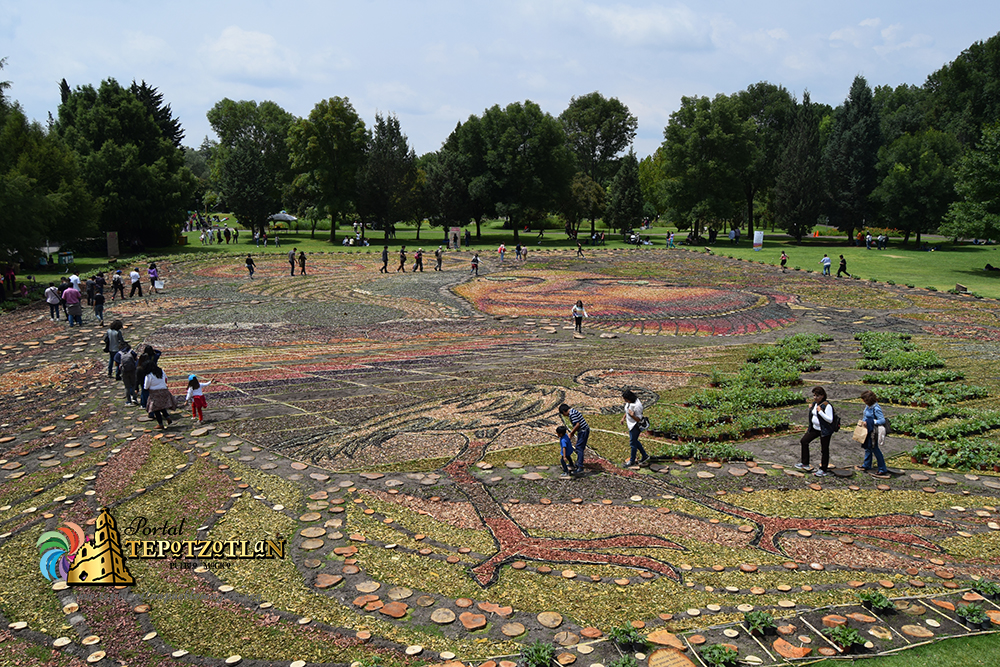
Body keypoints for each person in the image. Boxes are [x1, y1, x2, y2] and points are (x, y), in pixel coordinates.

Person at [796, 386, 835, 477]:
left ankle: (823, 469)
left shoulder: (827, 405)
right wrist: (811, 408)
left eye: (817, 396)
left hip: (824, 431)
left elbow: (830, 420)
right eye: (814, 395)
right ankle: (805, 463)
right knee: (804, 441)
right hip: (814, 429)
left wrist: (820, 412)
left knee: (824, 449)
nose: (815, 398)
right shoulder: (815, 404)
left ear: (822, 396)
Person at [859, 390, 890, 478]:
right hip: (868, 429)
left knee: (874, 449)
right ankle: (867, 464)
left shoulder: (876, 408)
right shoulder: (868, 407)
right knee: (867, 447)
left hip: (874, 431)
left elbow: (882, 420)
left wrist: (871, 421)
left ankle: (882, 468)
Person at [558, 403, 590, 476]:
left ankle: (580, 467)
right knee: (579, 447)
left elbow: (577, 424)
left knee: (579, 448)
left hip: (583, 431)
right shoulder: (573, 411)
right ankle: (578, 464)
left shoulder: (572, 414)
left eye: (563, 414)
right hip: (582, 431)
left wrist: (571, 433)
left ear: (564, 411)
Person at [620, 389, 649, 467]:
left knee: (632, 443)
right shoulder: (630, 402)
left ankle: (632, 460)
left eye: (626, 399)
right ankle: (645, 455)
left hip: (635, 426)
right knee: (635, 441)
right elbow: (627, 410)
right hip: (630, 425)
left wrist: (632, 415)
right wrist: (623, 418)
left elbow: (639, 419)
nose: (625, 401)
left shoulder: (637, 405)